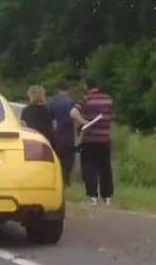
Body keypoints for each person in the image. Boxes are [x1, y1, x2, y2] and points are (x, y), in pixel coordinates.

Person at [70, 77, 113, 206]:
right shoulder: (108, 99)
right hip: (105, 139)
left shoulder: (86, 99)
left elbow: (73, 113)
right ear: (97, 85)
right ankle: (107, 196)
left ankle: (92, 196)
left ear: (86, 87)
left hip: (90, 139)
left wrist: (84, 122)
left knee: (89, 167)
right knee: (105, 167)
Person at [46, 82, 77, 186]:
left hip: (57, 133)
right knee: (69, 157)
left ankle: (58, 177)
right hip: (68, 133)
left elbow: (49, 118)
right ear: (68, 90)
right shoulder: (71, 102)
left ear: (59, 90)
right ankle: (66, 178)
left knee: (58, 157)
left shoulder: (52, 102)